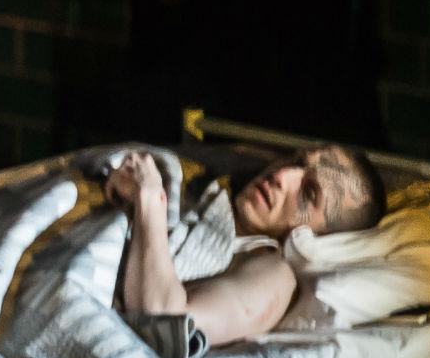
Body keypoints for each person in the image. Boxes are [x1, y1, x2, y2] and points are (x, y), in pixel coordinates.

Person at [107, 145, 386, 344]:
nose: (283, 175)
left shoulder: (273, 275)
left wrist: (149, 198)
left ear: (319, 237)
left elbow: (165, 326)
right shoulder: (203, 185)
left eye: (309, 192)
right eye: (297, 161)